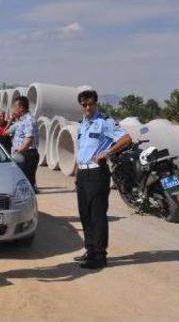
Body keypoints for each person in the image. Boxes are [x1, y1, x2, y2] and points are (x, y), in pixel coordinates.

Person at [74, 89, 131, 269]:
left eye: (91, 104)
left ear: (96, 104)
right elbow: (82, 150)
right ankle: (90, 250)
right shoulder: (82, 124)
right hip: (83, 174)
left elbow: (126, 138)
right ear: (81, 106)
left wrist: (107, 152)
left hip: (97, 173)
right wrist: (77, 173)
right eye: (84, 105)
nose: (88, 107)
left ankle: (99, 256)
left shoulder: (104, 122)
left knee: (97, 215)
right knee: (85, 214)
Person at [8, 96, 39, 189]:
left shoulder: (29, 120)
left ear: (21, 108)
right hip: (23, 154)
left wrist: (18, 151)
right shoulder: (22, 120)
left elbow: (28, 140)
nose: (13, 109)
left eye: (15, 107)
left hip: (27, 155)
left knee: (26, 185)